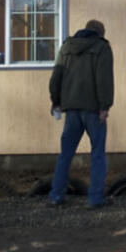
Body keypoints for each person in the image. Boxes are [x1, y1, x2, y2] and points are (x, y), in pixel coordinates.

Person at [47, 19, 115, 208]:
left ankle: (56, 196)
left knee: (65, 155)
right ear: (101, 33)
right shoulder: (102, 48)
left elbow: (56, 77)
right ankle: (95, 199)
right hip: (93, 110)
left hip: (71, 110)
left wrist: (56, 101)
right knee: (98, 155)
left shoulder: (67, 47)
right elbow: (104, 79)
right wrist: (105, 106)